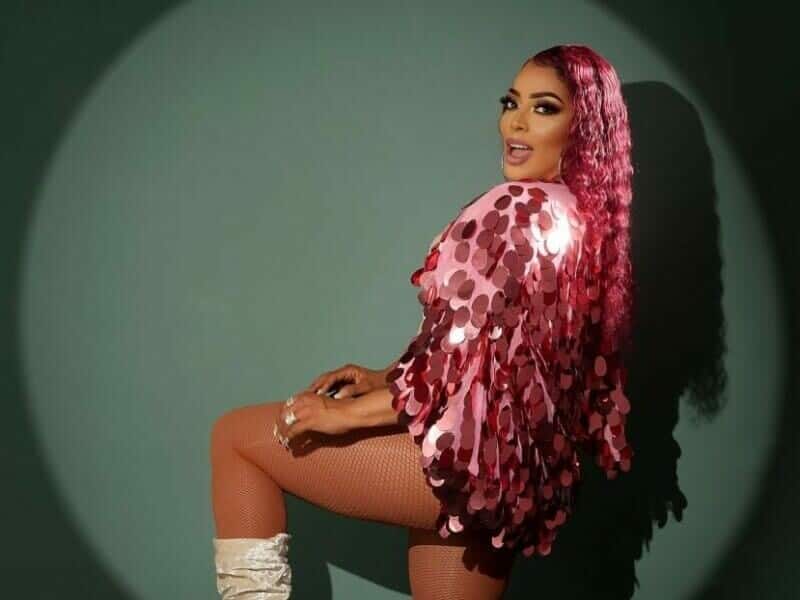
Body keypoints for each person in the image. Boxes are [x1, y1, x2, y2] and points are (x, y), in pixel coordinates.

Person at [210, 43, 634, 599]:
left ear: (584, 127)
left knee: (235, 439)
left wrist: (347, 415)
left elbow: (463, 364)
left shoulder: (515, 208)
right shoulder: (580, 221)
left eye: (544, 108)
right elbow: (494, 351)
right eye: (511, 103)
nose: (516, 122)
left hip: (463, 460)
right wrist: (386, 378)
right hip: (517, 477)